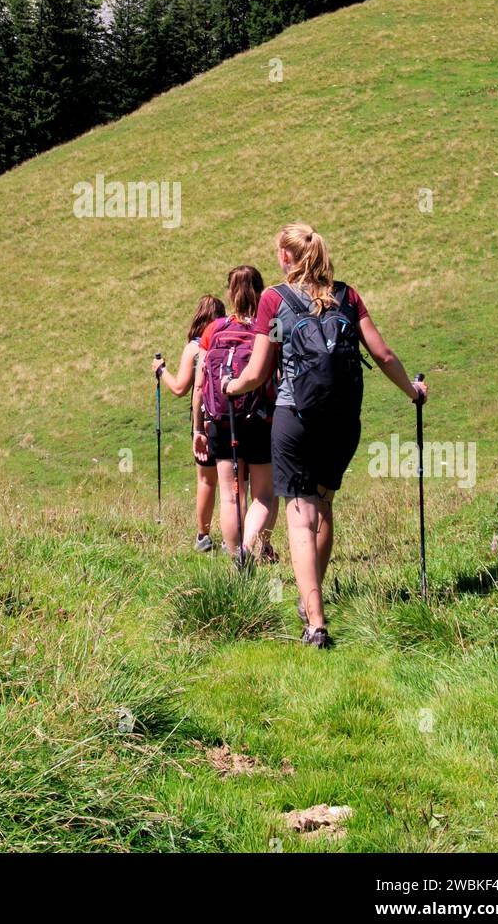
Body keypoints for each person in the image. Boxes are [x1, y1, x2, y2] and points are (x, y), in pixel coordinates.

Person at [223, 224, 427, 648]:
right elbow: (383, 354)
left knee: (301, 515)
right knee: (325, 504)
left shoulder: (273, 299)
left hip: (294, 417)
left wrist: (231, 387)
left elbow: (258, 372)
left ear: (284, 256)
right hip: (342, 421)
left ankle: (315, 621)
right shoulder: (347, 296)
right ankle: (311, 596)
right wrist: (413, 392)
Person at [192, 266, 278, 567]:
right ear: (261, 289)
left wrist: (198, 429)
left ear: (230, 292)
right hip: (259, 419)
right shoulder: (270, 327)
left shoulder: (212, 330)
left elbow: (202, 383)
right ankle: (254, 545)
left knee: (230, 496)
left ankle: (235, 560)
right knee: (264, 494)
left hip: (220, 419)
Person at [152, 295, 225, 552]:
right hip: (232, 416)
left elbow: (181, 388)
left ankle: (203, 536)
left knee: (206, 480)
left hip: (204, 418)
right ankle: (234, 537)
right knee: (232, 483)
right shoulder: (228, 341)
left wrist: (161, 371)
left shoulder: (195, 347)